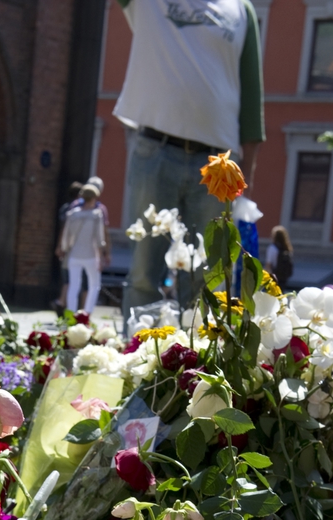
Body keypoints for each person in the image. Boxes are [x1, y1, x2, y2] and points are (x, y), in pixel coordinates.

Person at [115, 0, 265, 314]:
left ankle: (197, 362)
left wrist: (244, 183)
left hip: (218, 164)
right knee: (143, 274)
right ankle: (134, 358)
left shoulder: (241, 10)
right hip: (155, 146)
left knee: (207, 281)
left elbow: (252, 99)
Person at [61, 184, 110, 314]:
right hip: (90, 255)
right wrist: (100, 257)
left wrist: (65, 249)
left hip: (74, 254)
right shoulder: (96, 215)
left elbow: (66, 236)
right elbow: (99, 238)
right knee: (94, 285)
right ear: (94, 197)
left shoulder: (72, 214)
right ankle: (87, 313)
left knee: (73, 286)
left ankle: (70, 314)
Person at [54, 182, 84, 312]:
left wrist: (60, 245)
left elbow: (62, 229)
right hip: (76, 248)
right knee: (72, 279)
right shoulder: (78, 210)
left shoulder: (65, 208)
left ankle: (62, 302)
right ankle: (63, 303)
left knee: (67, 278)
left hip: (67, 246)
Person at [265, 226, 293, 290]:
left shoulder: (272, 248)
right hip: (284, 277)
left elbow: (268, 264)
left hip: (274, 276)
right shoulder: (287, 248)